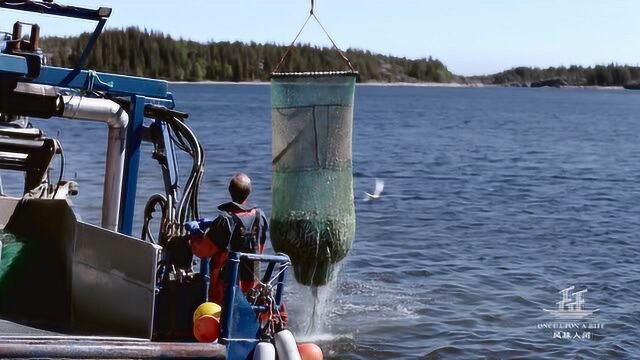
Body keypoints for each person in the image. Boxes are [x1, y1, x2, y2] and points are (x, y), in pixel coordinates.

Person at [190, 173, 269, 304]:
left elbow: (202, 251)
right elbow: (260, 248)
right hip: (252, 290)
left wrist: (194, 235)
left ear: (230, 191)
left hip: (226, 290)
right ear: (249, 192)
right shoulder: (260, 217)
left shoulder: (225, 221)